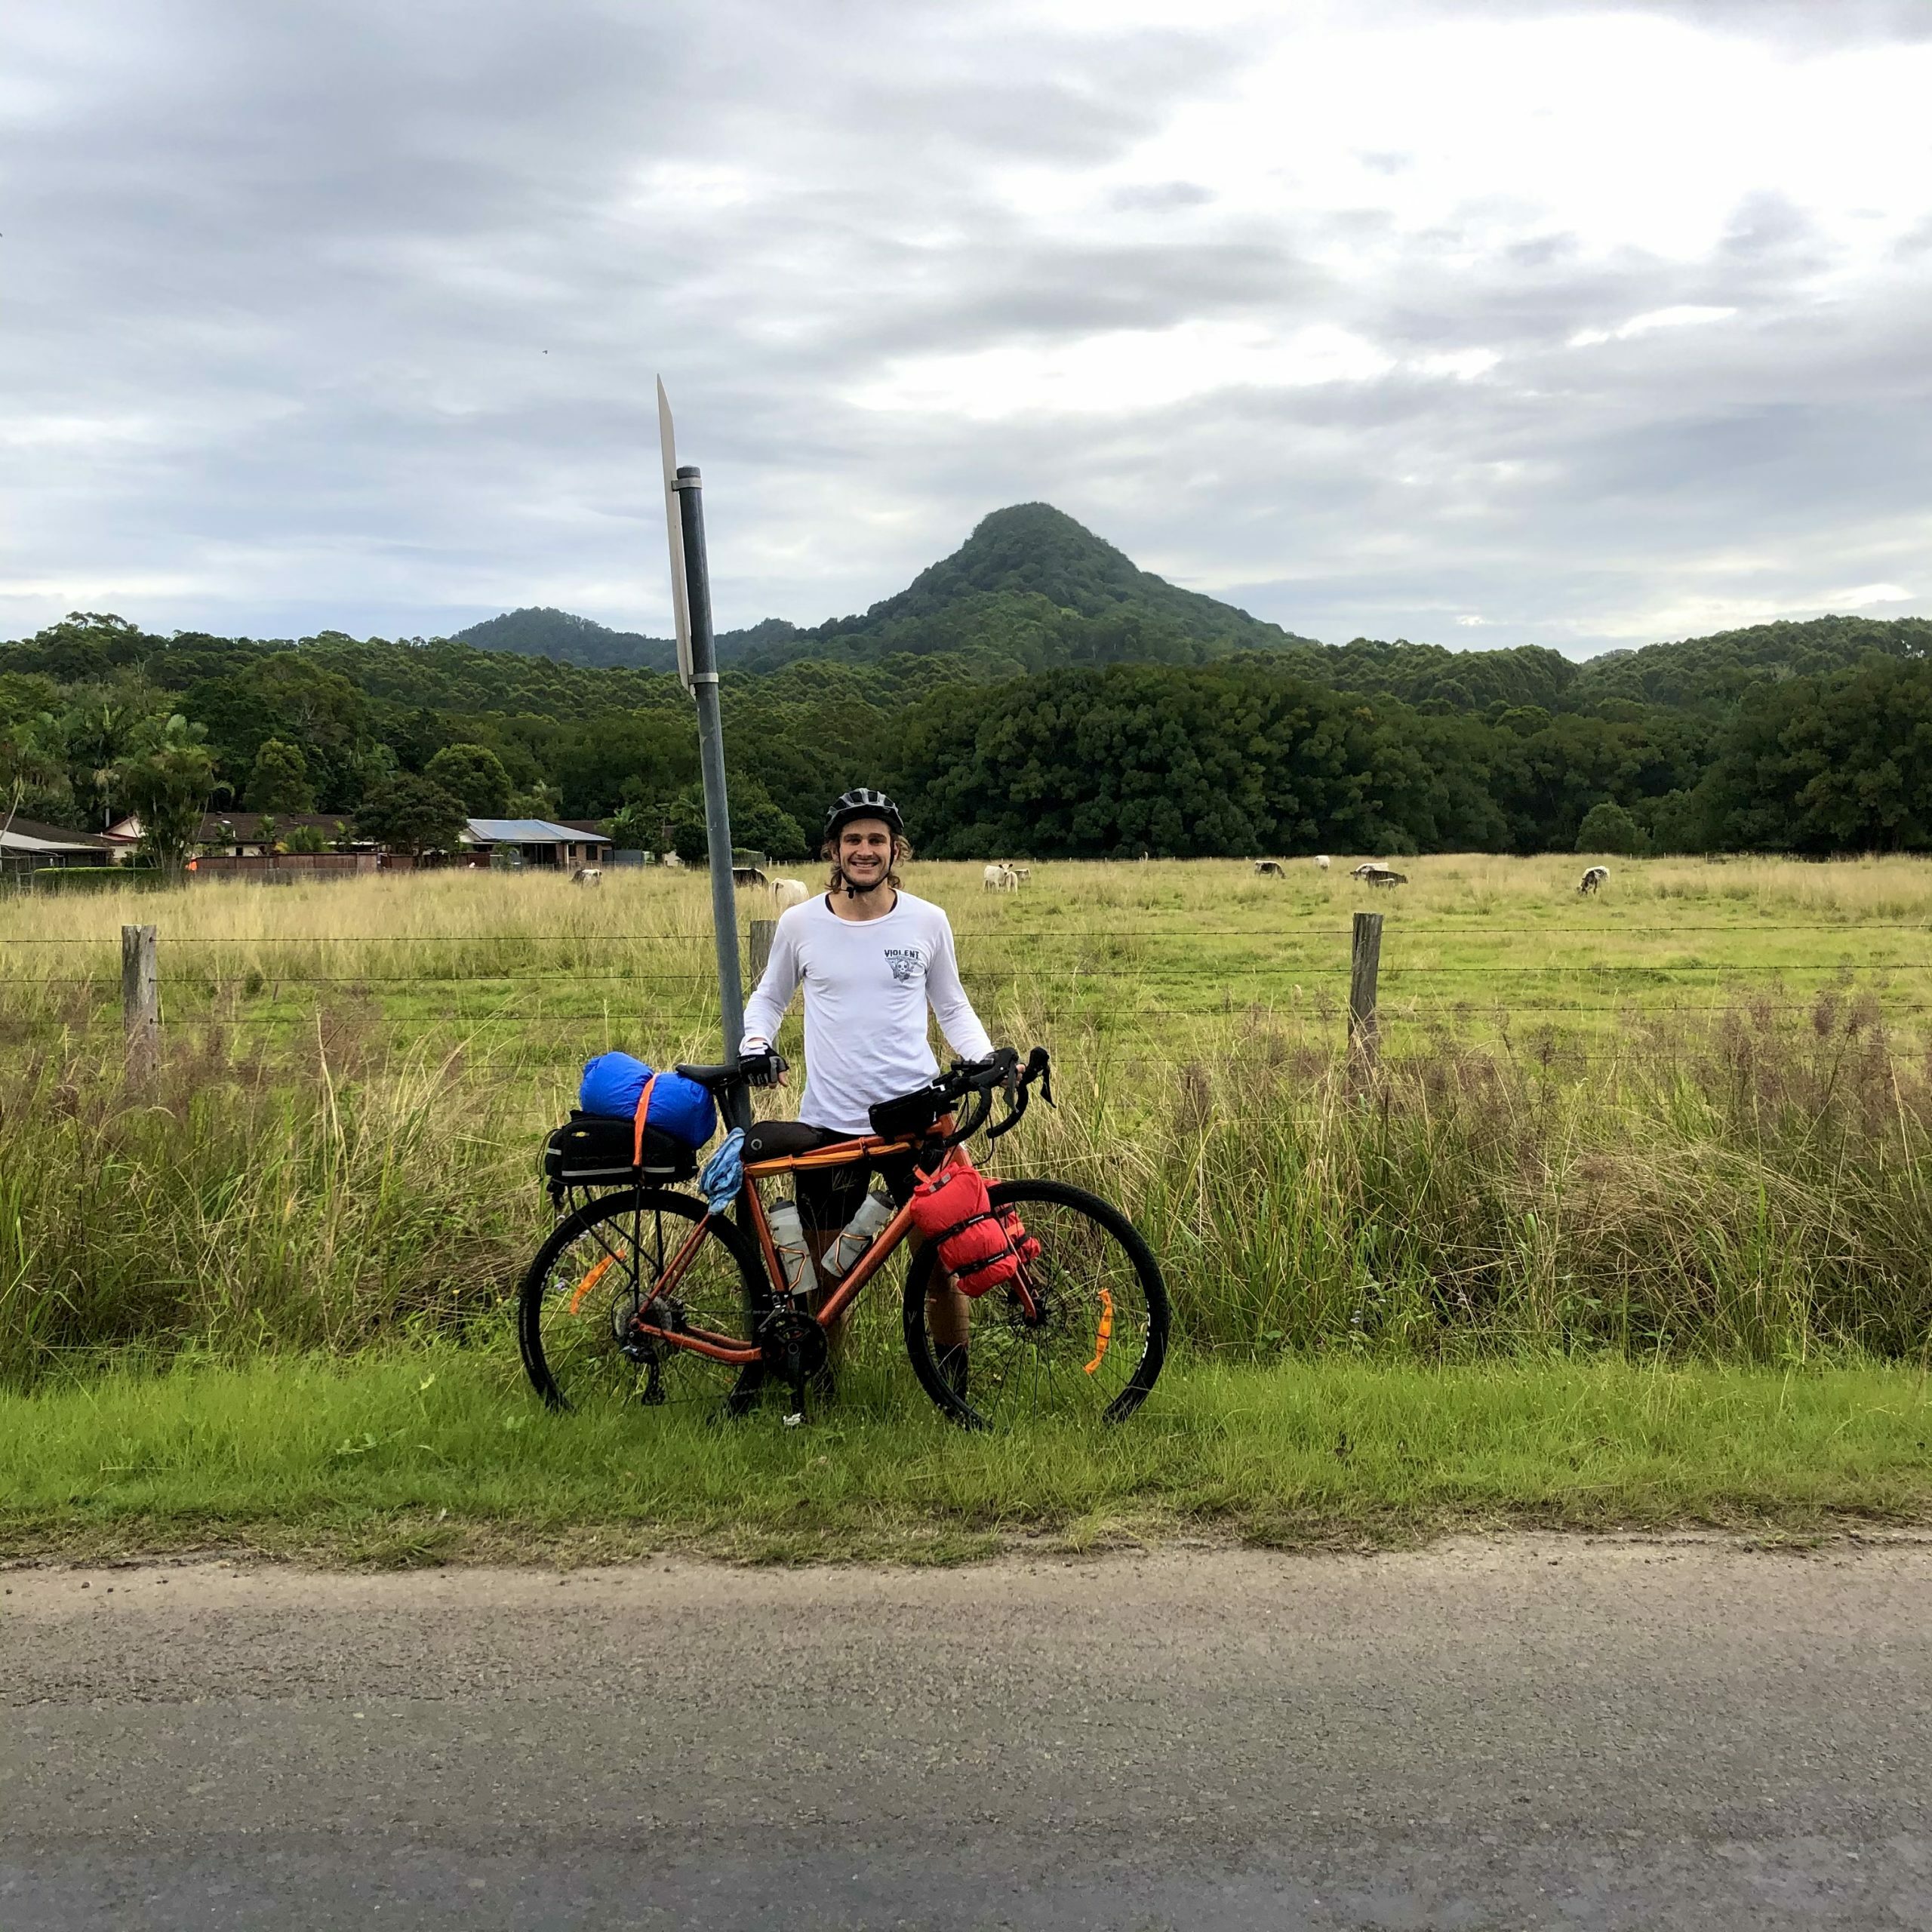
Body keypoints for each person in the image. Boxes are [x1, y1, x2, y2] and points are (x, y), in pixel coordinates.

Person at [737, 786, 994, 1394]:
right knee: (830, 1276)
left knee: (943, 1267)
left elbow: (951, 1004)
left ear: (894, 849)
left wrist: (985, 1060)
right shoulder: (801, 923)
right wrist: (756, 1045)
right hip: (829, 1123)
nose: (865, 850)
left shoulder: (928, 921)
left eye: (876, 839)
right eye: (852, 840)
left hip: (915, 1120)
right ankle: (823, 1390)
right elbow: (769, 998)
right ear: (833, 850)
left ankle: (955, 1390)